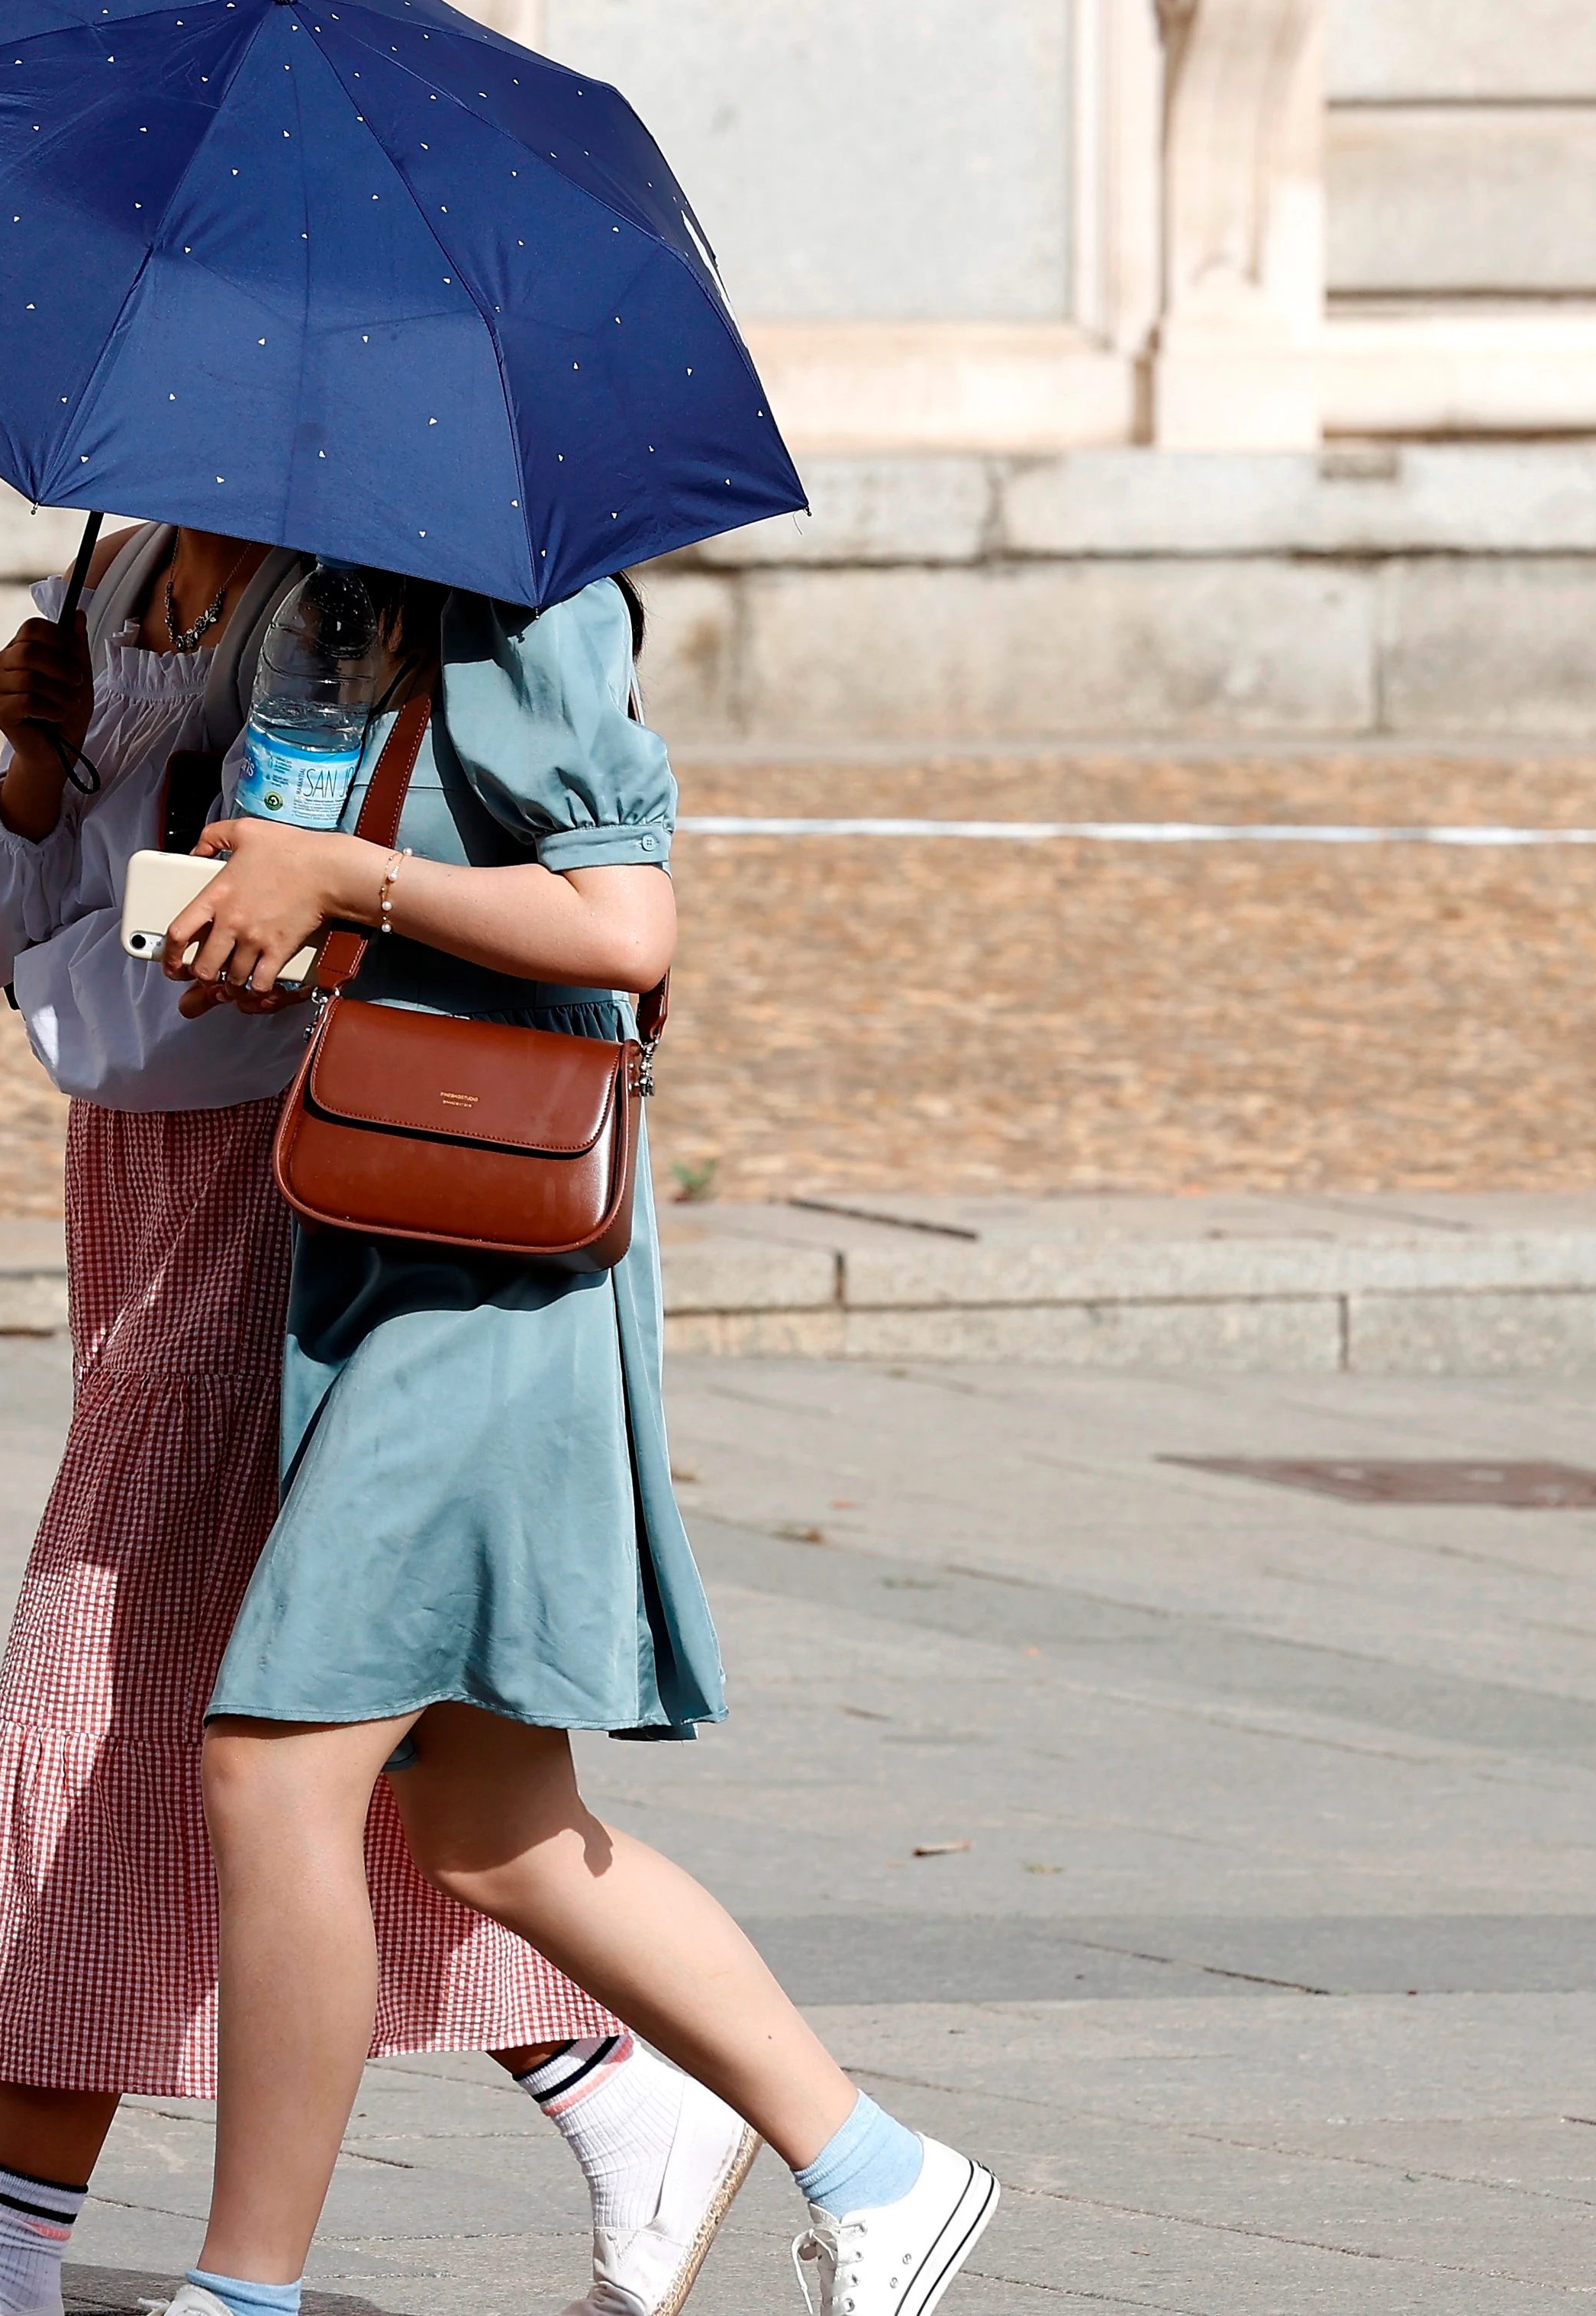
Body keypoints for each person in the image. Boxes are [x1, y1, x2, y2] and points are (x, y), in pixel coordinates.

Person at [0, 526, 763, 2316]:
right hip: (138, 1170)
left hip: (306, 1176)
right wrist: (42, 773)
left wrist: (312, 879)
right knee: (290, 1734)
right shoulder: (114, 579)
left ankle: (12, 2243)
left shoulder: (347, 596)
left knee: (133, 1678)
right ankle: (614, 2093)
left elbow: (424, 913)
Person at [142, 573, 999, 2316]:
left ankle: (241, 2299)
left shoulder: (525, 612)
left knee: (272, 1765)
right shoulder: (335, 602)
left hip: (495, 1259)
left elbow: (626, 929)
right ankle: (880, 2174)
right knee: (488, 1822)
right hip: (388, 1213)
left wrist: (354, 879)